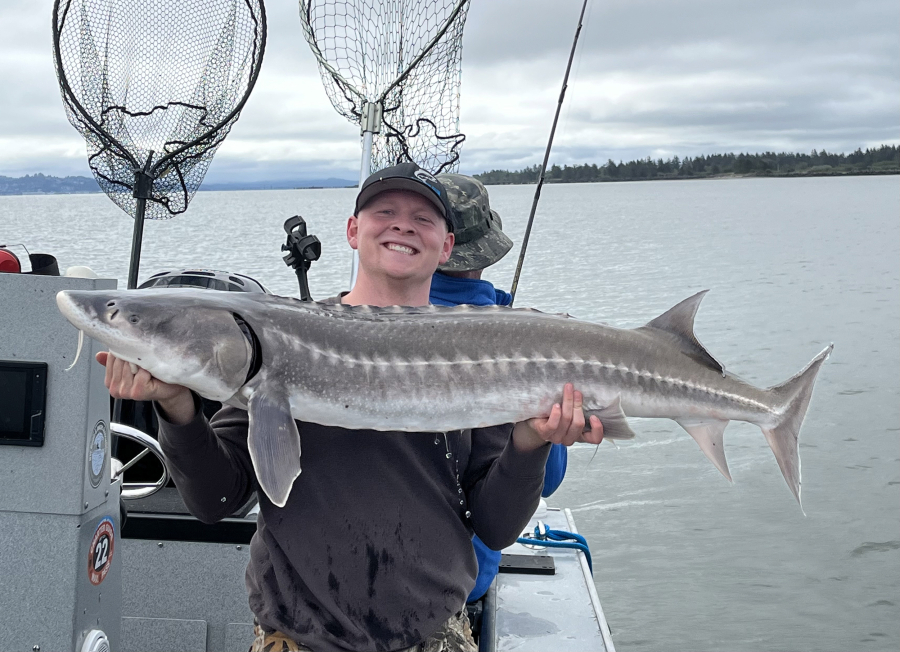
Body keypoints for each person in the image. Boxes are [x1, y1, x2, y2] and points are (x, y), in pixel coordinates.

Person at [97, 162, 603, 652]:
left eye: (423, 217)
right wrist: (177, 407)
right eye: (385, 212)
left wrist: (531, 443)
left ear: (447, 245)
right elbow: (217, 500)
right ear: (353, 230)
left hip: (434, 636)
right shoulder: (281, 338)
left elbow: (495, 525)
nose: (403, 225)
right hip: (294, 639)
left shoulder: (482, 355)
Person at [429, 173, 569, 603]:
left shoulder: (369, 328)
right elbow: (548, 482)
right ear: (486, 252)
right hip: (467, 580)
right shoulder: (528, 342)